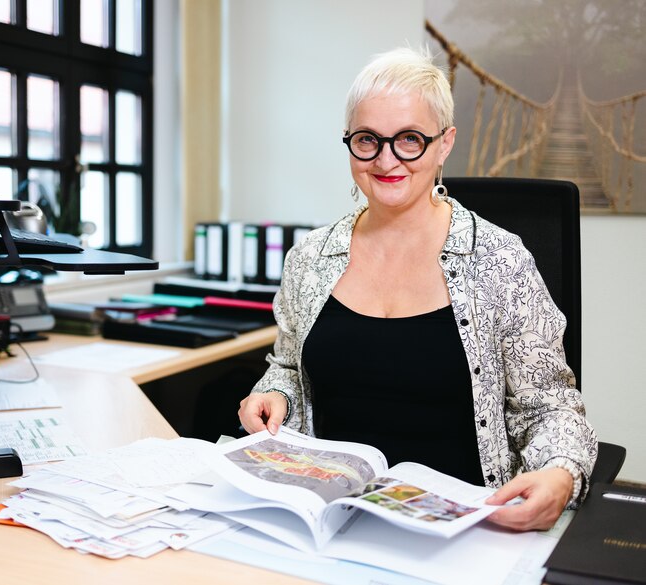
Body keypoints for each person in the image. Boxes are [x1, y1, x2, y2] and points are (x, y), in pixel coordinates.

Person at [237, 47, 598, 532]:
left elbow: (550, 409)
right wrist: (273, 394)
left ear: (444, 144)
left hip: (469, 527)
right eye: (367, 140)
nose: (386, 160)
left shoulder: (500, 260)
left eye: (409, 139)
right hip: (330, 521)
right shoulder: (309, 259)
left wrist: (560, 475)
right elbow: (286, 367)